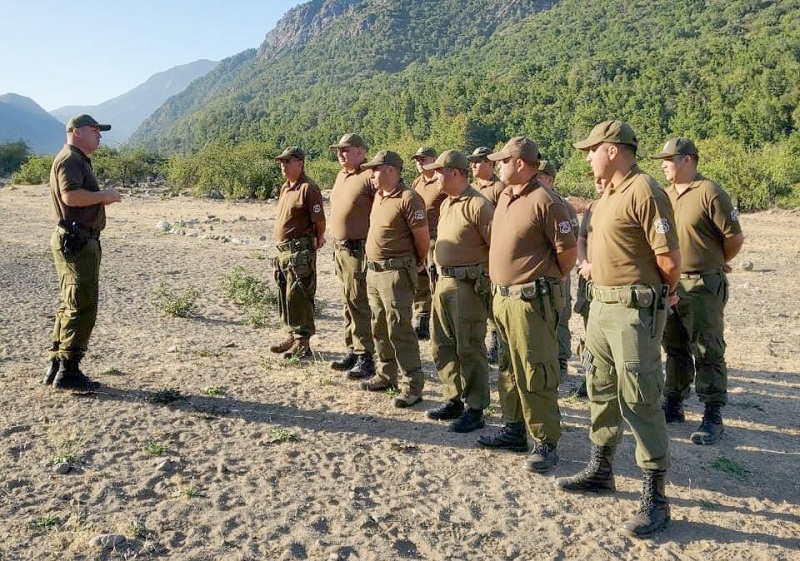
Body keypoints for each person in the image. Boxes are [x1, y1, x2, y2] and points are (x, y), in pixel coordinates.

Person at [555, 121, 681, 539]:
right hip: (602, 308)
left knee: (641, 397)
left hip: (632, 311)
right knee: (602, 388)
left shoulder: (645, 190)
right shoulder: (608, 196)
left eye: (591, 150)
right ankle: (601, 468)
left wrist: (658, 296)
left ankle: (655, 498)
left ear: (611, 150)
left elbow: (669, 261)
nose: (587, 157)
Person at [476, 137, 577, 474]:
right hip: (503, 299)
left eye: (502, 160)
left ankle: (546, 442)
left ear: (519, 163)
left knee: (536, 369)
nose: (497, 165)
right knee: (507, 367)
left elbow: (567, 255)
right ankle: (514, 429)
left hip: (531, 300)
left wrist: (542, 282)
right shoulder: (506, 195)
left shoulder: (546, 201)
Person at [650, 137, 744, 445]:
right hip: (671, 282)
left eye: (669, 159)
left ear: (688, 160)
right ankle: (673, 402)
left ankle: (712, 413)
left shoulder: (710, 193)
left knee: (707, 347)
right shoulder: (664, 195)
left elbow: (734, 238)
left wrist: (716, 261)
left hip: (702, 284)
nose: (663, 164)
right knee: (674, 346)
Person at [44, 114, 122, 389]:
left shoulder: (73, 158)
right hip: (77, 241)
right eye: (94, 130)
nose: (99, 135)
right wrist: (104, 196)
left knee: (70, 302)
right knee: (82, 304)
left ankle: (57, 364)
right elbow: (71, 196)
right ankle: (69, 369)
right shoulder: (71, 159)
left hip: (74, 238)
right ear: (76, 131)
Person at [424, 150, 494, 432]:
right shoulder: (447, 204)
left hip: (467, 285)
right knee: (441, 344)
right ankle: (453, 398)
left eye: (439, 171)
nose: (434, 175)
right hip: (442, 283)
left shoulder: (479, 205)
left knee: (469, 347)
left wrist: (486, 280)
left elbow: (496, 246)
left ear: (455, 172)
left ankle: (475, 408)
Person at [359, 150, 430, 408]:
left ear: (391, 170)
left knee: (399, 327)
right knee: (378, 326)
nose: (371, 175)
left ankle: (412, 385)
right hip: (375, 272)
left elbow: (422, 240)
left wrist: (417, 261)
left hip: (396, 272)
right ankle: (386, 374)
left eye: (375, 169)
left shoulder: (409, 198)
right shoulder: (379, 196)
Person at [269, 146, 326, 360]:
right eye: (282, 162)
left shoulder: (308, 188)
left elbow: (319, 220)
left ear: (300, 163)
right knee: (285, 294)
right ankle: (291, 334)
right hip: (284, 251)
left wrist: (318, 239)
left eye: (287, 162)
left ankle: (303, 341)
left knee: (299, 293)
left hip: (299, 250)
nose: (283, 166)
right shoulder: (286, 187)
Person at [327, 133, 377, 379]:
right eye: (339, 150)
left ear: (360, 151)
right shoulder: (342, 175)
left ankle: (366, 356)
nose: (340, 154)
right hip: (341, 249)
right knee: (348, 302)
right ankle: (353, 349)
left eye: (346, 150)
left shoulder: (369, 175)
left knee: (360, 303)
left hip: (360, 249)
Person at [538, 159, 579, 380]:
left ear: (550, 180)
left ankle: (561, 361)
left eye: (540, 175)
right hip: (539, 275)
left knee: (561, 317)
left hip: (559, 272)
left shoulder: (563, 206)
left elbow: (571, 242)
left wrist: (563, 272)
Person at [467, 146, 506, 364]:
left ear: (491, 164)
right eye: (471, 162)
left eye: (478, 161)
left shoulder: (500, 189)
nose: (473, 165)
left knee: (493, 301)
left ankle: (495, 339)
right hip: (472, 254)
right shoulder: (470, 187)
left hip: (490, 253)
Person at [572, 176, 606, 397]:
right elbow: (581, 239)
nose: (599, 182)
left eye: (603, 179)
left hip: (611, 283)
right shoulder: (593, 207)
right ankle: (590, 378)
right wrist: (585, 263)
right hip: (589, 282)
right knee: (589, 334)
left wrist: (599, 267)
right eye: (596, 179)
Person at [410, 146, 444, 340]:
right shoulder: (417, 182)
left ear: (434, 159)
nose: (420, 162)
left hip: (438, 238)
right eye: (417, 159)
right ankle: (422, 320)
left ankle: (441, 322)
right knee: (421, 277)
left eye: (424, 159)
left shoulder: (440, 181)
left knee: (437, 279)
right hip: (420, 237)